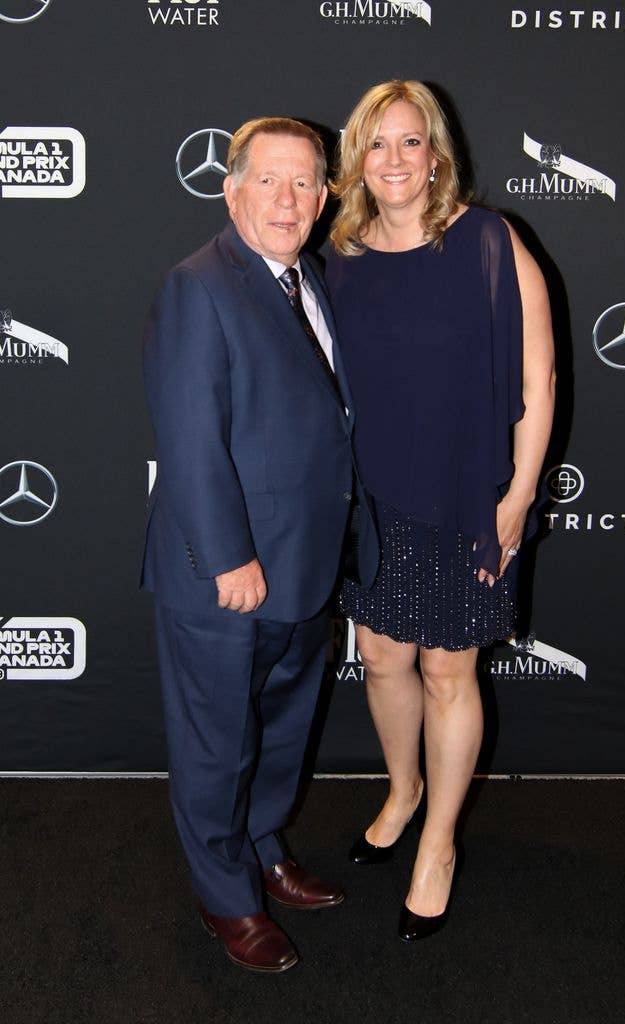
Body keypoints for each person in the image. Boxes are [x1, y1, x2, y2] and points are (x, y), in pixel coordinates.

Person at [142, 117, 378, 973]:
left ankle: (263, 846)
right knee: (216, 740)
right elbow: (190, 438)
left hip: (306, 564)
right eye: (269, 180)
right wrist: (229, 558)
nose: (288, 199)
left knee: (281, 728)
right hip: (226, 573)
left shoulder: (308, 279)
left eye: (305, 182)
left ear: (325, 197)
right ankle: (226, 896)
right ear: (229, 187)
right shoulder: (198, 286)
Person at [326, 81, 556, 941]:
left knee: (448, 672)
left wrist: (520, 496)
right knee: (384, 661)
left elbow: (539, 383)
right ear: (357, 159)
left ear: (436, 155)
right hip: (375, 499)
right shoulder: (339, 254)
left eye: (409, 142)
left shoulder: (490, 242)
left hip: (467, 498)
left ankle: (441, 843)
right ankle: (403, 789)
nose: (394, 160)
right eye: (377, 144)